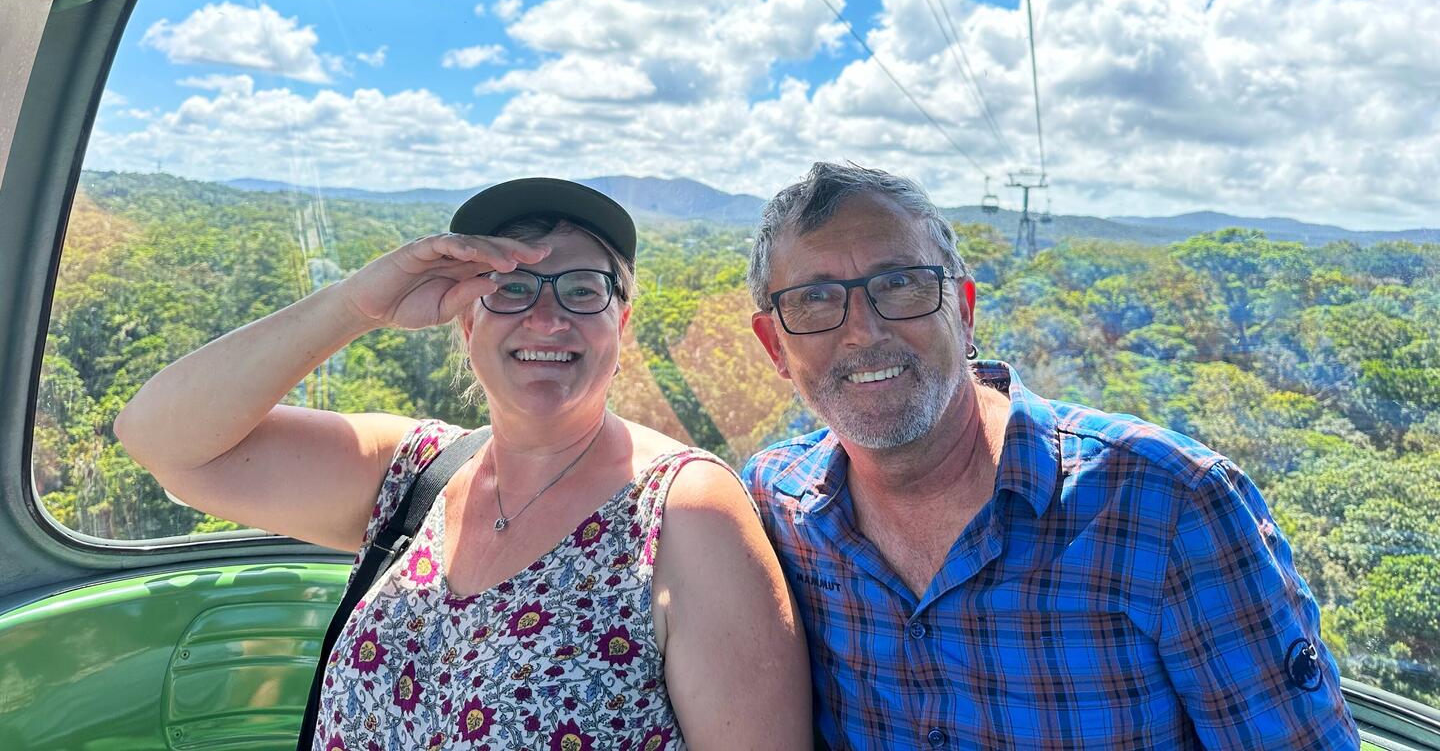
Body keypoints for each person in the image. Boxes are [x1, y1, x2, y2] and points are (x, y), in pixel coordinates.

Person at [115, 177, 810, 751]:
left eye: (582, 289)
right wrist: (357, 304)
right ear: (468, 322)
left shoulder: (683, 512)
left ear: (619, 326)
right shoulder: (413, 473)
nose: (547, 318)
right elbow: (164, 442)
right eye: (510, 287)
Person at [741, 162, 1360, 750]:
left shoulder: (1171, 508)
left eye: (899, 284)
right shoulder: (774, 504)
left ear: (964, 310)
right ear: (774, 347)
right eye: (815, 299)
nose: (863, 331)